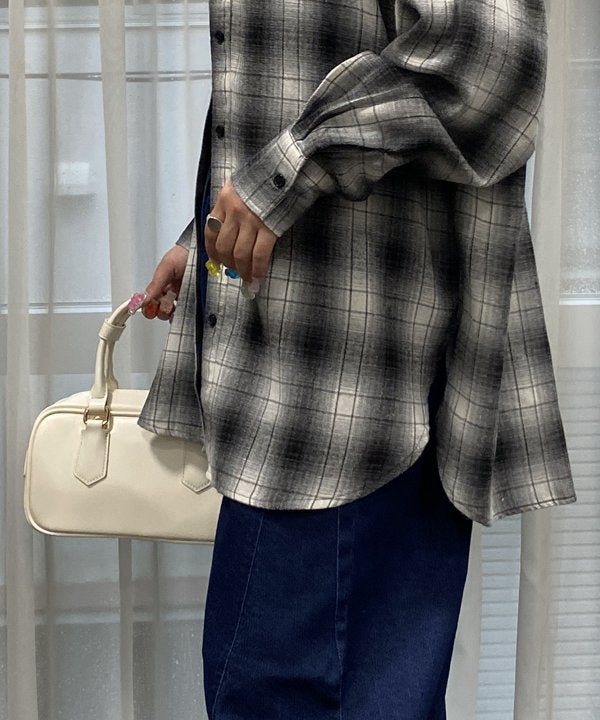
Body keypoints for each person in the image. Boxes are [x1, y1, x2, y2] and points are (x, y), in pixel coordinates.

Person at [139, 1, 576, 717]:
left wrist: (286, 172)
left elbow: (489, 64)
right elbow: (279, 84)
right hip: (309, 384)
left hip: (356, 392)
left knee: (285, 694)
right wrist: (213, 238)